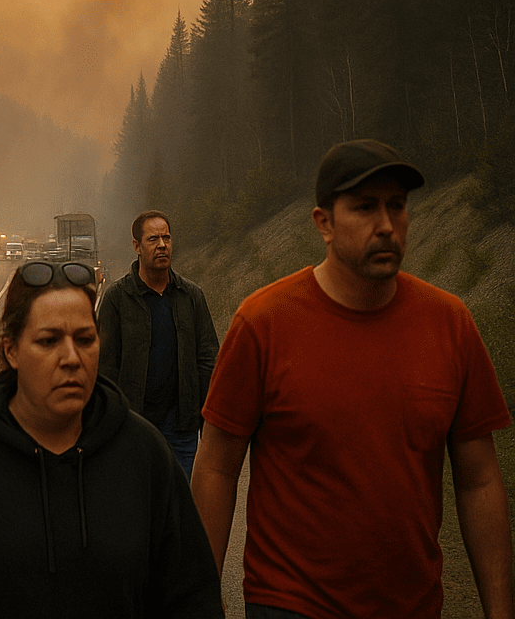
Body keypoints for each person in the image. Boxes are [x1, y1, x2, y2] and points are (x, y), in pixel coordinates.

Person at [192, 139, 513, 619]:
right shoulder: (263, 323)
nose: (386, 225)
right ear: (324, 222)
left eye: (397, 206)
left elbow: (480, 480)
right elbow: (217, 467)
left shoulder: (450, 324)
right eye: (365, 207)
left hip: (413, 606)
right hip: (291, 603)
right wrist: (200, 593)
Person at [0, 260, 223, 618]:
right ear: (11, 350)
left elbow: (194, 599)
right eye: (48, 341)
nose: (71, 358)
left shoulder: (145, 454)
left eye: (85, 340)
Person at [96, 210, 219, 478]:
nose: (162, 245)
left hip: (181, 427)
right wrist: (109, 424)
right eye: (153, 239)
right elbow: (105, 367)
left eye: (167, 238)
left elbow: (208, 360)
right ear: (137, 246)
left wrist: (208, 423)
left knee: (177, 497)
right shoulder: (117, 299)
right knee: (137, 497)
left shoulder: (191, 296)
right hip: (133, 425)